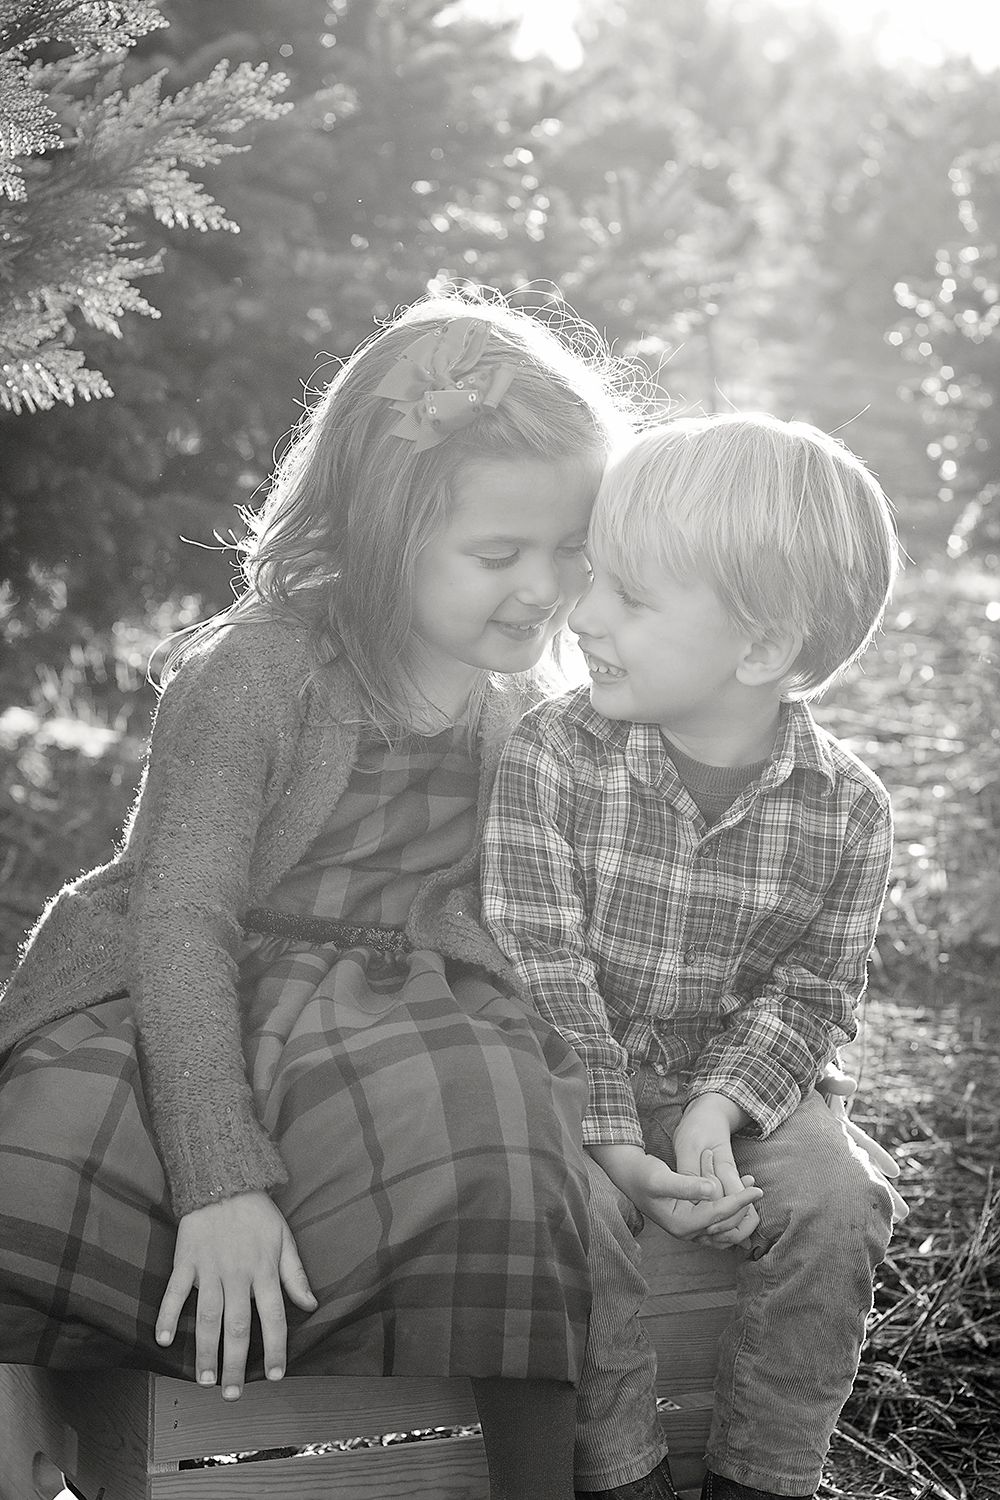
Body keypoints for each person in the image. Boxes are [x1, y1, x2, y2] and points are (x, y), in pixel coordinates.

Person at [0, 293, 720, 1500]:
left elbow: (570, 906)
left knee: (499, 1152)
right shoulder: (255, 673)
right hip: (188, 986)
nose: (545, 588)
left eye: (572, 550)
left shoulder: (525, 710)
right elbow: (182, 919)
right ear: (385, 532)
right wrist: (221, 1180)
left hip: (402, 999)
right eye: (498, 555)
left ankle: (550, 1477)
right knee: (41, 1157)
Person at [481, 412, 905, 1500]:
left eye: (630, 595)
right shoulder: (553, 756)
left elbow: (813, 992)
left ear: (761, 650)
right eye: (595, 578)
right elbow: (541, 963)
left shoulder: (848, 810)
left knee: (840, 1200)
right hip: (572, 1074)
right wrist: (619, 1147)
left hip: (738, 1083)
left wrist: (719, 1108)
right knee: (571, 1214)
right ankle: (619, 1474)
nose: (583, 614)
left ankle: (763, 1473)